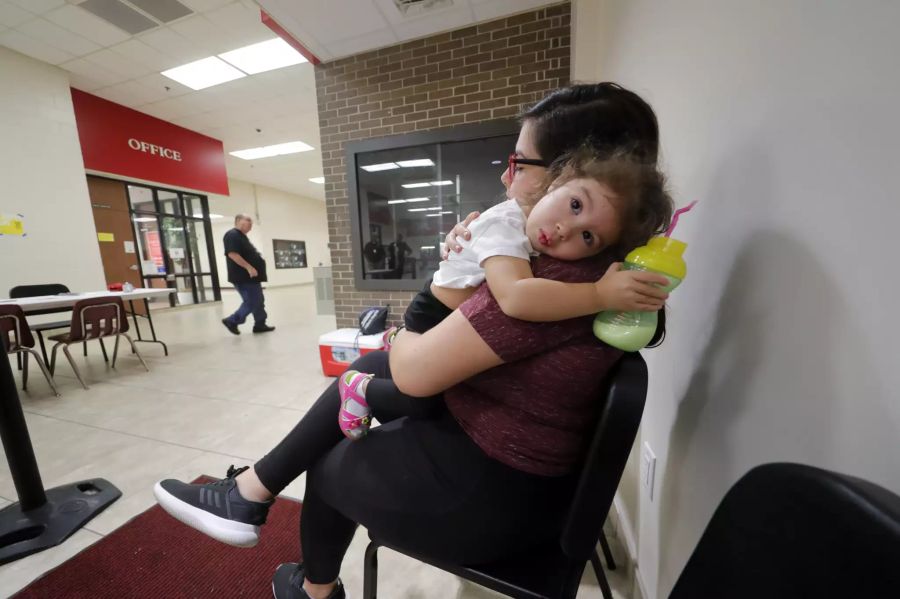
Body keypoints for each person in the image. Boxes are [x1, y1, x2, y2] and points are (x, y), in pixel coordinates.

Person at [154, 82, 665, 599]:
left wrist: (407, 323)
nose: (506, 174)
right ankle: (251, 496)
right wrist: (470, 261)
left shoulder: (552, 286)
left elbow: (418, 369)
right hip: (517, 474)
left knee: (329, 459)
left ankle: (308, 584)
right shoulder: (589, 270)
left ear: (569, 170)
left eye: (520, 161)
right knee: (369, 370)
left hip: (490, 499)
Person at [337, 146, 672, 439]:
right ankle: (360, 386)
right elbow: (515, 297)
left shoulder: (525, 228)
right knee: (421, 401)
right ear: (556, 182)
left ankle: (394, 342)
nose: (563, 230)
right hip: (434, 314)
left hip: (448, 314)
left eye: (587, 237)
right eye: (574, 204)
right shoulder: (505, 225)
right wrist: (600, 295)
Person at [221, 214, 275, 335]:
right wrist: (249, 267)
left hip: (251, 277)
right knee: (252, 301)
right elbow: (232, 254)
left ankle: (260, 324)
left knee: (258, 300)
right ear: (238, 221)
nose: (251, 224)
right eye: (248, 220)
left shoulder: (242, 236)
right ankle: (232, 321)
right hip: (243, 277)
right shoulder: (232, 235)